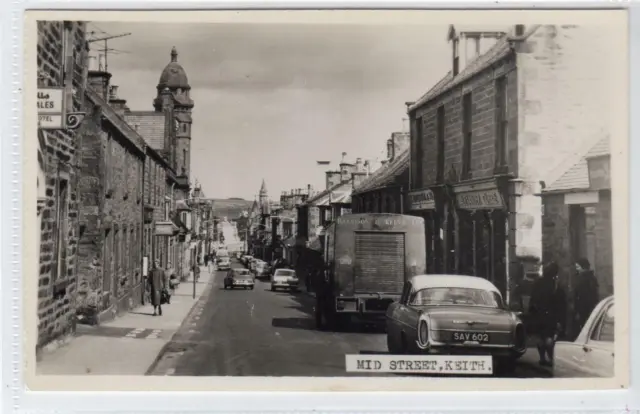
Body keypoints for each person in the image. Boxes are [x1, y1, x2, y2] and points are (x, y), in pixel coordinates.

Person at [528, 261, 567, 367]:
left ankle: (542, 358)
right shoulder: (555, 285)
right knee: (549, 337)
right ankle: (551, 358)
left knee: (541, 337)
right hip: (551, 315)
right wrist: (560, 318)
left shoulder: (538, 282)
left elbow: (532, 299)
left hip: (538, 314)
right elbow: (560, 303)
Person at [574, 258, 600, 336]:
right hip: (590, 308)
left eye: (578, 267)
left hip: (583, 309)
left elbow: (581, 296)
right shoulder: (592, 278)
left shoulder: (582, 279)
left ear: (583, 267)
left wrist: (577, 310)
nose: (576, 269)